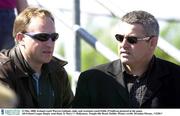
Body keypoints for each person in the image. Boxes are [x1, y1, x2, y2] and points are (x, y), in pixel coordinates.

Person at [72, 10, 180, 108]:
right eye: (119, 38)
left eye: (132, 39)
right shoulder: (91, 80)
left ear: (152, 43)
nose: (123, 45)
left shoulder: (176, 77)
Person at [0, 6, 74, 108]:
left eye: (53, 37)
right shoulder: (3, 70)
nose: (50, 44)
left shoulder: (58, 71)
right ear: (21, 38)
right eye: (42, 37)